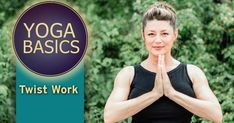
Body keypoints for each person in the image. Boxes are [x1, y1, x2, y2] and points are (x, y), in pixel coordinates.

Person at [104, 2, 223, 123]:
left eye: (164, 33)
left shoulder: (192, 73)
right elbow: (109, 116)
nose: (158, 40)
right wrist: (154, 94)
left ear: (175, 34)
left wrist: (172, 93)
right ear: (143, 35)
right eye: (151, 34)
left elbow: (216, 115)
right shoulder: (128, 74)